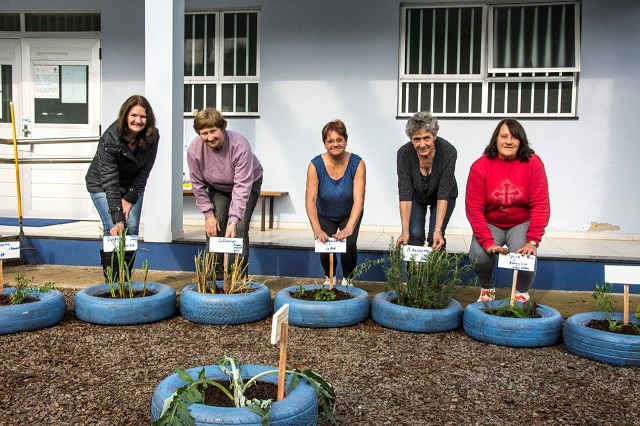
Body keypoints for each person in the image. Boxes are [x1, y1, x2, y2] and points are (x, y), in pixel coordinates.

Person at [466, 118, 550, 303]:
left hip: (521, 222)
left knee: (525, 256)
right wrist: (487, 242)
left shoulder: (534, 163)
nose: (509, 141)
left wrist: (533, 241)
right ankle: (487, 289)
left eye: (514, 137)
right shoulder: (480, 166)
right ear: (496, 139)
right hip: (491, 222)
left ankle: (521, 292)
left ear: (521, 141)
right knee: (479, 255)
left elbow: (540, 205)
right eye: (504, 136)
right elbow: (474, 209)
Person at [85, 95, 159, 279]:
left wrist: (129, 198)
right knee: (114, 227)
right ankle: (112, 280)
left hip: (132, 186)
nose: (138, 120)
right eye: (134, 115)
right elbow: (109, 179)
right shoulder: (110, 138)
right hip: (102, 184)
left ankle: (124, 278)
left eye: (143, 116)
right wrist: (118, 215)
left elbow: (144, 172)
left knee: (132, 228)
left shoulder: (152, 136)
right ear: (125, 115)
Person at [187, 108, 263, 273]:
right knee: (215, 226)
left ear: (222, 128)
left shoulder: (239, 145)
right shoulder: (194, 150)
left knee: (239, 228)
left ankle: (238, 277)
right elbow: (197, 184)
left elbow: (242, 186)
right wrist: (208, 215)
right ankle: (215, 275)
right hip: (218, 187)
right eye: (204, 133)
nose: (210, 137)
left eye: (213, 131)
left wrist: (234, 220)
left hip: (247, 184)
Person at [305, 119, 366, 285]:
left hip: (349, 211)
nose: (335, 144)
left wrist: (349, 228)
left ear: (346, 140)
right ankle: (329, 277)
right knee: (325, 243)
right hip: (325, 212)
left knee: (349, 243)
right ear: (324, 143)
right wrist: (316, 229)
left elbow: (359, 200)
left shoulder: (358, 163)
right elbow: (310, 199)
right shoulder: (315, 165)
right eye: (330, 141)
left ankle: (347, 278)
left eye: (340, 140)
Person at [396, 111, 458, 251]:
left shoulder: (448, 152)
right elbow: (405, 193)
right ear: (411, 139)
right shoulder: (404, 154)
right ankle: (414, 272)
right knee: (414, 235)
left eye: (426, 138)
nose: (422, 144)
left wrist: (438, 230)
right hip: (416, 195)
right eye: (416, 139)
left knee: (434, 237)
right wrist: (404, 231)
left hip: (443, 196)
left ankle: (435, 272)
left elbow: (443, 193)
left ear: (434, 136)